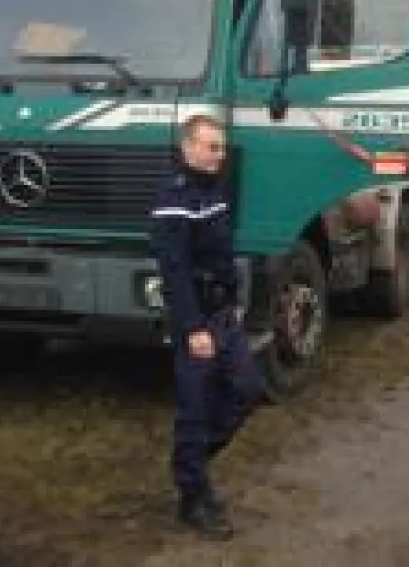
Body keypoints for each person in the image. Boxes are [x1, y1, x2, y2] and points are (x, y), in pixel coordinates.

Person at [149, 114, 265, 540]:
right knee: (194, 412)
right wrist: (193, 327)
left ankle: (190, 468)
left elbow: (221, 256)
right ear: (187, 148)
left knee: (248, 390)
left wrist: (233, 304)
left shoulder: (211, 191)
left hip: (222, 315)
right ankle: (194, 497)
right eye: (212, 146)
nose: (220, 154)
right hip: (196, 320)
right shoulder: (173, 198)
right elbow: (174, 270)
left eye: (221, 147)